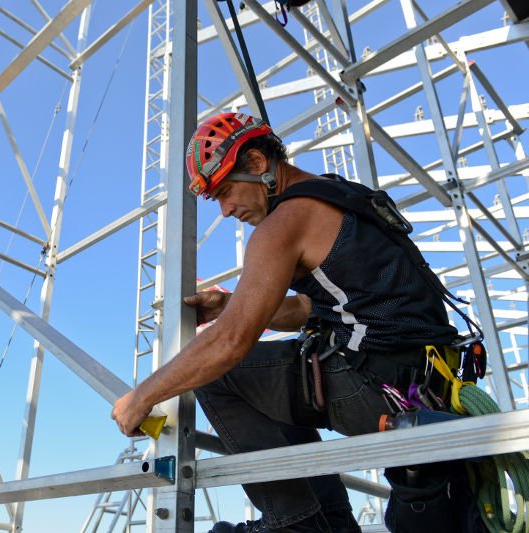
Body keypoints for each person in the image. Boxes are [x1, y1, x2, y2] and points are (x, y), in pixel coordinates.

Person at [111, 112, 461, 532]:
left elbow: (231, 343)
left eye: (225, 191)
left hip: (375, 383)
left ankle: (296, 522)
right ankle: (325, 521)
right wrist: (229, 303)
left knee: (218, 376)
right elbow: (312, 310)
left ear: (258, 164)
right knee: (272, 373)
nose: (224, 211)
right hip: (425, 382)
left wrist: (143, 396)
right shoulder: (336, 194)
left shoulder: (283, 224)